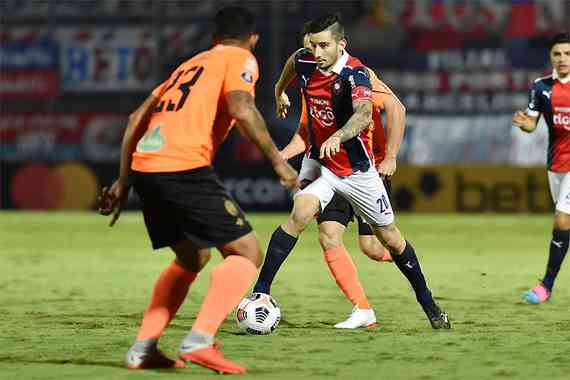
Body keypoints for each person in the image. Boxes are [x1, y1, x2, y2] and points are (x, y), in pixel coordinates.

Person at [98, 6, 298, 374]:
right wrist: (278, 162)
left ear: (213, 38)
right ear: (253, 39)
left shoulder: (188, 65)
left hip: (146, 167)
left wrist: (124, 180)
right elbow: (242, 107)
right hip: (183, 165)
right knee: (247, 252)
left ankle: (143, 349)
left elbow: (134, 119)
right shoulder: (242, 58)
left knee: (192, 258)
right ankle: (200, 341)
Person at [254, 13, 450, 330]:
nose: (315, 53)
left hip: (357, 170)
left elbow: (362, 115)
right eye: (312, 46)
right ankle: (260, 292)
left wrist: (343, 137)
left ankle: (428, 303)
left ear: (340, 44)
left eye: (323, 46)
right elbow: (292, 63)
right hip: (320, 163)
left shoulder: (356, 74)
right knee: (301, 215)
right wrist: (279, 92)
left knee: (388, 240)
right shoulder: (305, 60)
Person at [513, 32, 570, 305]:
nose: (563, 59)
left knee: (562, 219)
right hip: (555, 164)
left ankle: (545, 286)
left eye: (568, 54)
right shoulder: (541, 87)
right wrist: (523, 122)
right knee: (565, 224)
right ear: (551, 57)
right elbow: (532, 124)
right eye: (558, 54)